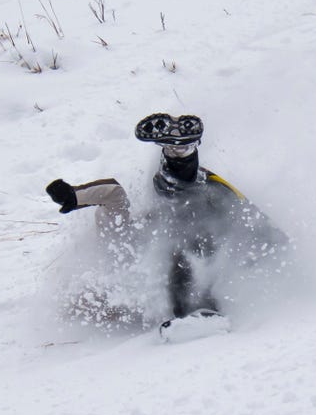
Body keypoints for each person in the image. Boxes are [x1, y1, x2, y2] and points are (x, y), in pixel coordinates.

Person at [46, 113, 288, 336]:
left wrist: (73, 196)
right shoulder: (126, 296)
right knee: (187, 226)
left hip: (154, 237)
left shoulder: (111, 263)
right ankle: (181, 152)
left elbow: (112, 194)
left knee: (185, 227)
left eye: (85, 301)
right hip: (179, 228)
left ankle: (178, 153)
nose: (88, 302)